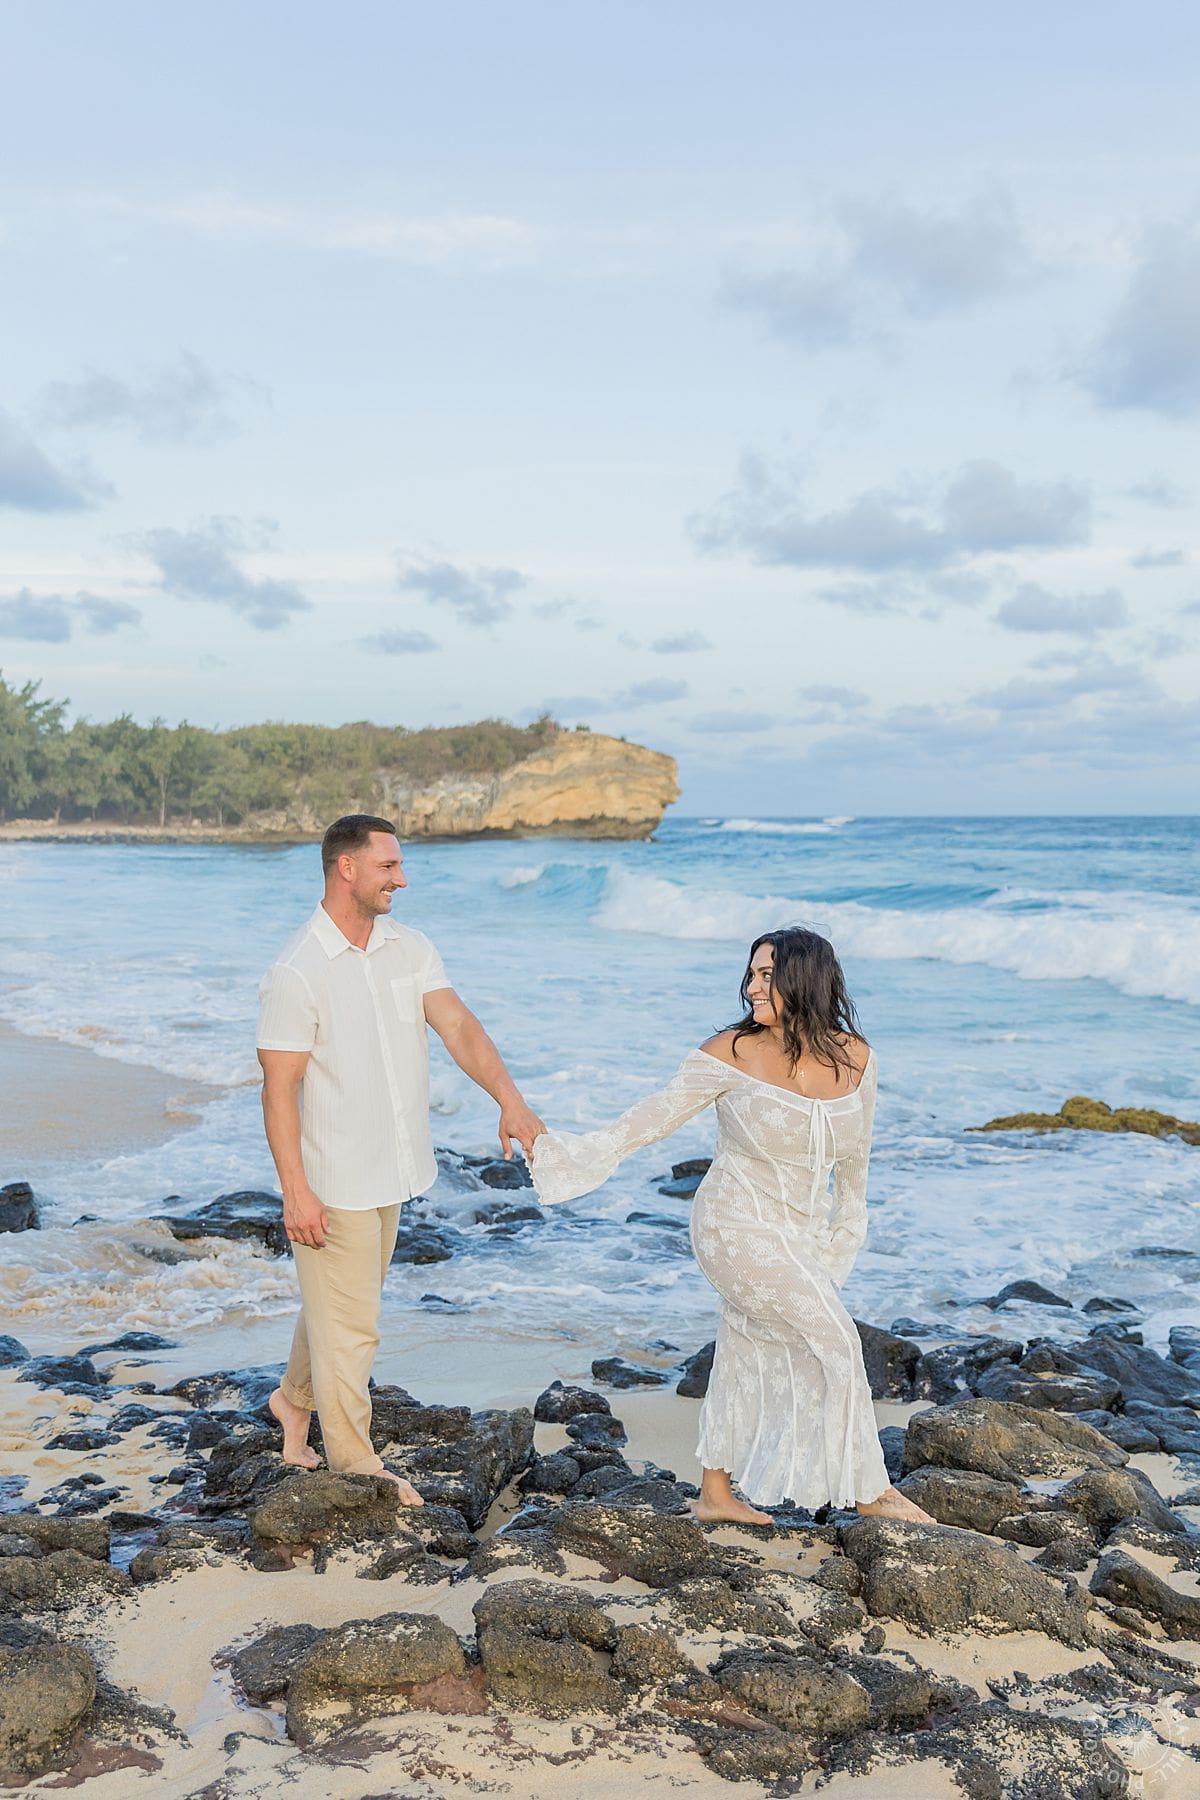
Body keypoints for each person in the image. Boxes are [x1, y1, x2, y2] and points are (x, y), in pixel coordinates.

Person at [530, 927, 934, 1525]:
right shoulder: (730, 1052)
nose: (753, 988)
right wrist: (556, 1149)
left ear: (807, 979)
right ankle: (868, 1489)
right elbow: (646, 1122)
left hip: (798, 1231)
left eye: (768, 975)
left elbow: (855, 1172)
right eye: (751, 974)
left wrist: (839, 1243)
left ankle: (715, 1495)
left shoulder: (857, 1058)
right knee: (838, 1341)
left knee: (744, 1347)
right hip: (732, 1222)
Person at [256, 813, 544, 1504]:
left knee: (339, 1301)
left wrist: (509, 1097)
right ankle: (353, 1459)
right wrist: (296, 1191)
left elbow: (459, 1026)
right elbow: (279, 1090)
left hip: (397, 1166)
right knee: (354, 1325)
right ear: (346, 868)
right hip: (336, 1175)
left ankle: (293, 1403)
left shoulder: (408, 948)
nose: (402, 878)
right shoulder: (296, 972)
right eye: (389, 866)